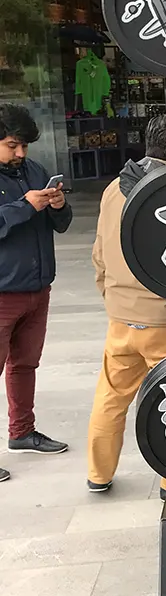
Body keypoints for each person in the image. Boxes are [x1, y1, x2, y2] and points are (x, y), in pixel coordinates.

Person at [87, 114, 166, 492]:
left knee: (110, 397)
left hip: (121, 318)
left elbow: (99, 254)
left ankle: (98, 474)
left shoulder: (114, 188)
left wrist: (114, 299)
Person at [0, 104, 73, 481]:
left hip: (37, 287)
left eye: (25, 146)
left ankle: (22, 432)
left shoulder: (35, 171)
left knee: (25, 364)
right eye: (12, 145)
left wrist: (59, 206)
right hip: (2, 292)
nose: (20, 153)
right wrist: (23, 206)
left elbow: (61, 224)